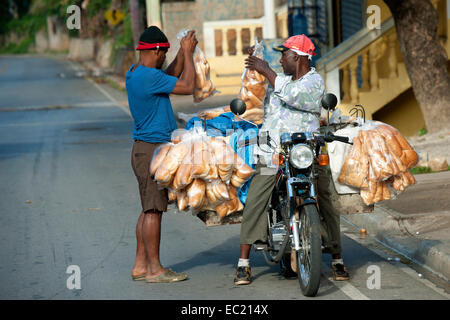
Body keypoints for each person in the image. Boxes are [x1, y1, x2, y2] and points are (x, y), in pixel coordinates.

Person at [234, 34, 350, 285]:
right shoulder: (281, 80)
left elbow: (296, 97)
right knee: (255, 198)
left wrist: (266, 70)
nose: (280, 59)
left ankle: (337, 258)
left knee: (327, 197)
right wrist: (257, 67)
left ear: (296, 57)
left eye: (284, 54)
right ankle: (243, 263)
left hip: (305, 152)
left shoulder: (314, 82)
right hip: (272, 152)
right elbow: (263, 100)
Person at [126, 26, 197, 283]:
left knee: (148, 209)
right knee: (154, 210)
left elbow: (169, 77)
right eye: (164, 54)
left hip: (143, 150)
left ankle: (140, 265)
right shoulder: (149, 77)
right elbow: (187, 85)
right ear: (156, 51)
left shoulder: (136, 73)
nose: (164, 59)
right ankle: (155, 270)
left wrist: (180, 52)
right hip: (151, 150)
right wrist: (188, 55)